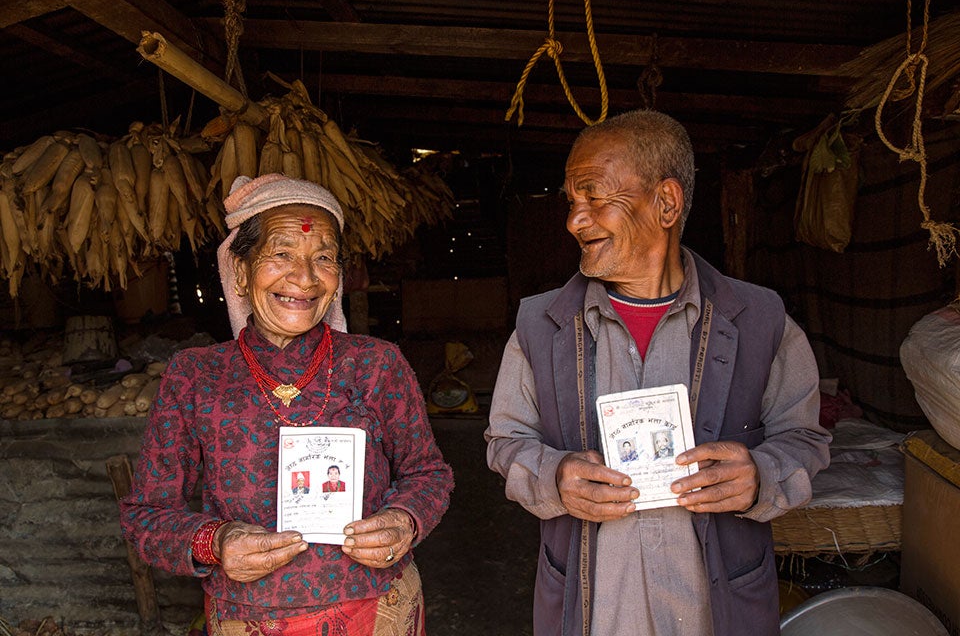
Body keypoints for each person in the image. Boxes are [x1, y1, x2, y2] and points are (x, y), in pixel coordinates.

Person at [485, 110, 831, 636]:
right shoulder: (541, 326)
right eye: (572, 202)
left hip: (715, 611)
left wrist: (761, 476)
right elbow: (504, 442)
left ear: (666, 202)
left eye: (595, 196)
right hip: (592, 610)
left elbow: (805, 437)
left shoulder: (759, 320)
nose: (575, 220)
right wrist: (555, 477)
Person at [120, 173, 454, 635]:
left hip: (379, 612)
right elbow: (146, 514)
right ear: (240, 270)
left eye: (323, 258)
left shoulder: (375, 364)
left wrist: (404, 522)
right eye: (281, 254)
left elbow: (428, 473)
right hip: (247, 620)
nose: (304, 278)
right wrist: (215, 542)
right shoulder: (196, 376)